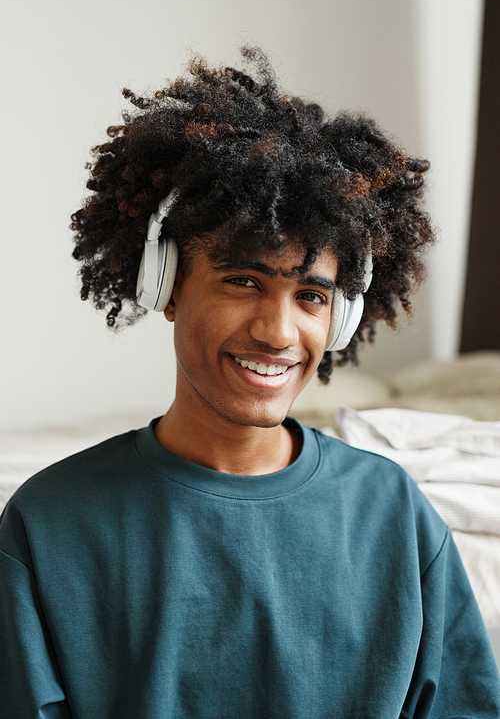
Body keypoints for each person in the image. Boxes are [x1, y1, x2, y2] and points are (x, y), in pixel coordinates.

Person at [1, 47, 499, 718]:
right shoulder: (47, 525)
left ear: (343, 318)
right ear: (165, 285)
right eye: (243, 281)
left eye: (312, 297)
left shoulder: (394, 514)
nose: (277, 331)